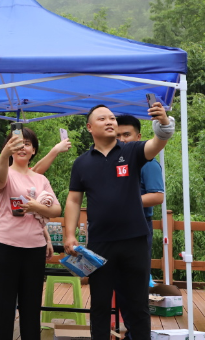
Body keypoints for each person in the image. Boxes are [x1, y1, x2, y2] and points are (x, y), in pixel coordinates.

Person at [64, 103, 174, 340]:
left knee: (137, 304)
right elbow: (73, 199)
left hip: (135, 240)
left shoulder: (132, 151)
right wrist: (69, 234)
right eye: (102, 118)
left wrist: (164, 123)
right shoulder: (82, 163)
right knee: (100, 304)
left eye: (112, 118)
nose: (110, 121)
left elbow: (158, 143)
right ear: (89, 127)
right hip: (99, 244)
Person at [0, 125, 61, 339]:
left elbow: (56, 209)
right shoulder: (5, 173)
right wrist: (4, 155)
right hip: (5, 247)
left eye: (27, 144)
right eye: (17, 143)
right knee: (1, 306)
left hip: (35, 249)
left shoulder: (40, 179)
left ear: (34, 150)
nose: (22, 147)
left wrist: (37, 207)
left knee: (31, 305)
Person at [115, 115, 165, 339]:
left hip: (139, 228)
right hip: (114, 230)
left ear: (138, 137)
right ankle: (131, 334)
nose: (122, 139)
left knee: (136, 290)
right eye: (117, 135)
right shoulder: (114, 161)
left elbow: (157, 196)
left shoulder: (148, 162)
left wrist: (125, 201)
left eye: (126, 134)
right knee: (121, 289)